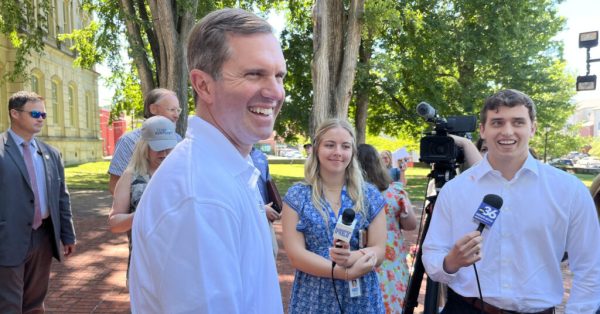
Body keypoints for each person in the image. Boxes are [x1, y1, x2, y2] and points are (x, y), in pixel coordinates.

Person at [128, 8, 285, 313]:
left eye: (279, 76)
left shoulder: (225, 171)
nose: (275, 91)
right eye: (255, 73)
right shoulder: (200, 196)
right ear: (203, 85)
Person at [422, 89, 600, 313]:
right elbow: (432, 255)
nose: (507, 131)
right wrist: (451, 262)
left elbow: (591, 267)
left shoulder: (569, 191)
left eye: (518, 122)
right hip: (466, 307)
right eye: (497, 122)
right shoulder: (454, 191)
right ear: (483, 130)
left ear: (532, 128)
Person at [282, 118, 387, 314]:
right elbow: (296, 255)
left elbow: (379, 250)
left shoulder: (370, 195)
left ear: (352, 152)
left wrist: (351, 257)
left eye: (345, 146)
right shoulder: (297, 195)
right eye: (330, 145)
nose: (338, 152)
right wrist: (341, 273)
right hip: (314, 295)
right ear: (316, 148)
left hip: (361, 296)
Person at [0, 91, 76, 313]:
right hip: (7, 238)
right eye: (35, 113)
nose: (41, 118)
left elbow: (61, 196)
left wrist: (67, 234)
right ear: (14, 113)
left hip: (43, 237)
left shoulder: (51, 153)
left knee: (34, 303)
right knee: (8, 304)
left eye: (43, 114)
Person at [108, 116, 177, 279]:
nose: (165, 153)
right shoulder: (131, 176)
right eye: (158, 148)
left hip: (180, 264)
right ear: (144, 147)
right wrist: (142, 214)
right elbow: (114, 223)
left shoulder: (183, 174)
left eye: (169, 147)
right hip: (144, 266)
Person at [357, 143, 417, 312]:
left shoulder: (351, 195)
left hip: (361, 259)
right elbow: (411, 225)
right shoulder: (395, 193)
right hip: (392, 261)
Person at [107, 88, 182, 194]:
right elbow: (114, 185)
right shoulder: (128, 141)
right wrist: (138, 207)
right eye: (172, 110)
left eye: (178, 110)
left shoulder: (179, 140)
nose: (176, 115)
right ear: (153, 109)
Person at [250, 147, 281, 256]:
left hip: (265, 219)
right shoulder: (230, 155)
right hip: (246, 221)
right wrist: (261, 209)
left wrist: (274, 205)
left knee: (272, 253)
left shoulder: (260, 156)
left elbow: (267, 183)